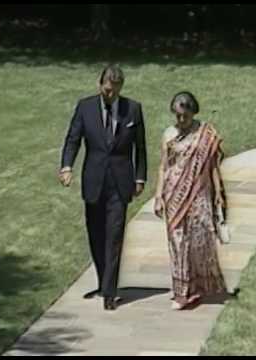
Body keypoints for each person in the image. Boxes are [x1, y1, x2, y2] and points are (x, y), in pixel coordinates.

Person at [59, 65, 147, 311]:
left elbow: (140, 147)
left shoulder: (133, 109)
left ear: (120, 88)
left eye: (114, 91)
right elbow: (73, 138)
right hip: (94, 180)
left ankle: (110, 292)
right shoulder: (85, 107)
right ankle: (103, 280)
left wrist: (140, 178)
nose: (110, 95)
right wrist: (67, 166)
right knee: (96, 235)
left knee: (115, 236)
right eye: (107, 90)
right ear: (100, 85)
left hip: (120, 182)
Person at [154, 91, 233, 310]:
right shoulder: (169, 134)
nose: (180, 120)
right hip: (174, 197)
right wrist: (159, 196)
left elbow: (213, 167)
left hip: (199, 197)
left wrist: (219, 194)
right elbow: (163, 167)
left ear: (193, 112)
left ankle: (196, 287)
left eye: (184, 116)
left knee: (198, 243)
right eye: (177, 116)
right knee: (177, 241)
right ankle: (181, 292)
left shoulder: (205, 134)